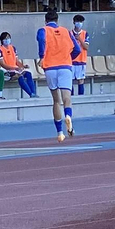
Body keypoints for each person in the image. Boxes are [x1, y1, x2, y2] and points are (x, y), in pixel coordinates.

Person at [37, 9, 82, 141]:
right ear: (57, 21)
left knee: (56, 100)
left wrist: (41, 57)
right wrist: (68, 58)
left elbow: (41, 40)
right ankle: (68, 116)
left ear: (46, 21)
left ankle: (60, 132)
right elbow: (77, 49)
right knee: (67, 98)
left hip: (50, 67)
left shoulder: (43, 30)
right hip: (65, 67)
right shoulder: (66, 31)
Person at [0, 31, 36, 99]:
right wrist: (15, 68)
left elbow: (17, 61)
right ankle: (30, 94)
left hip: (15, 69)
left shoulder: (13, 48)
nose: (7, 40)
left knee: (28, 74)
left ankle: (34, 93)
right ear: (2, 40)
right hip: (7, 71)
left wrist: (22, 66)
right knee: (20, 77)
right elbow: (3, 64)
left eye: (8, 38)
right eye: (5, 39)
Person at [69, 15, 90, 96]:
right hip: (71, 61)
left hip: (81, 60)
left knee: (80, 80)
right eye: (78, 22)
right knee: (70, 80)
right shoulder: (70, 33)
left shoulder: (85, 34)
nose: (79, 24)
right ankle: (71, 97)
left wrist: (80, 39)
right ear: (74, 22)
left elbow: (86, 47)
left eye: (81, 22)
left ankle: (81, 97)